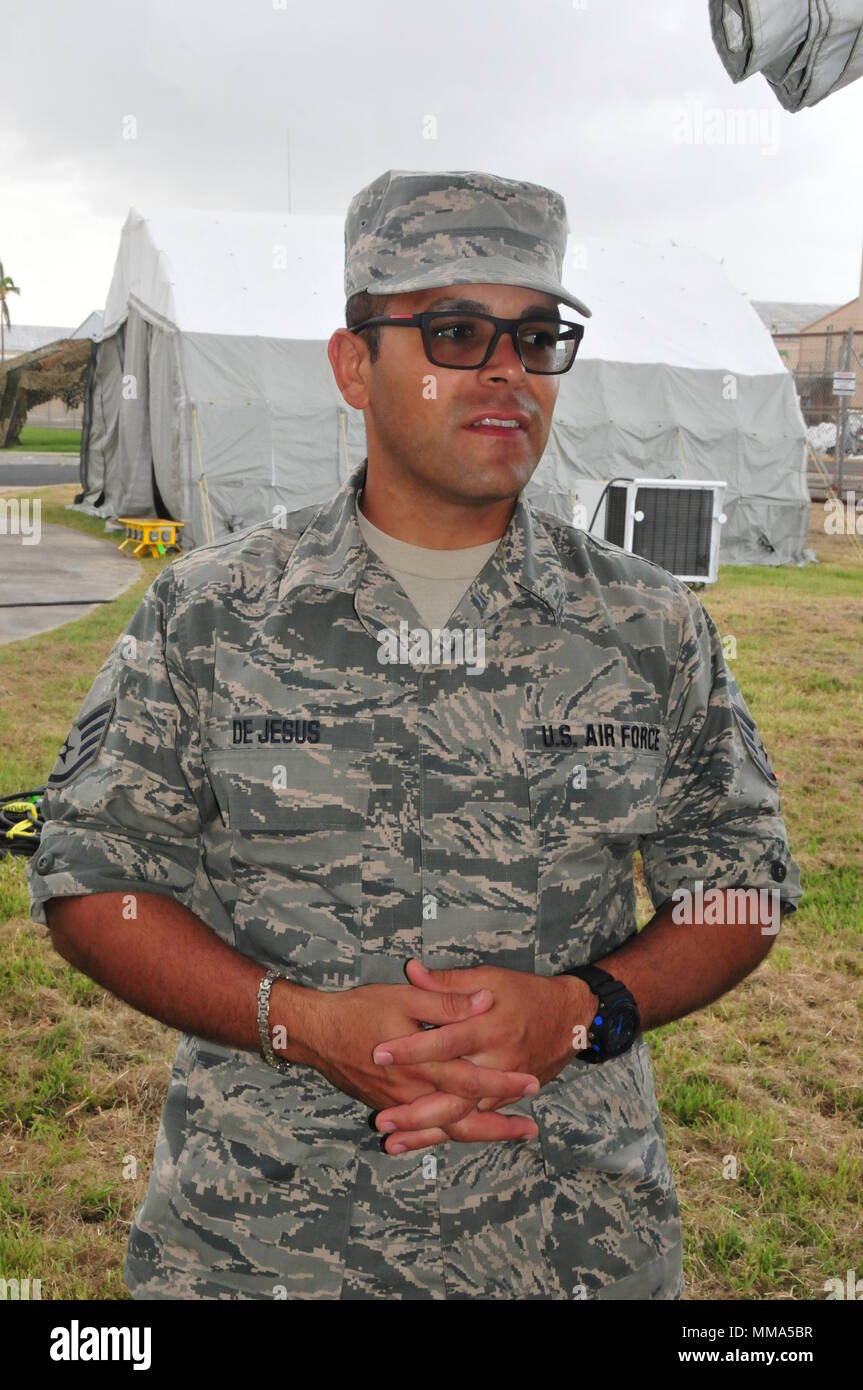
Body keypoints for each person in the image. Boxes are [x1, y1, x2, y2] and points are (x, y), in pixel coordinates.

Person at [27, 168, 802, 1300]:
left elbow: (741, 888)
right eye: (454, 330)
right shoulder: (210, 612)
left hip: (566, 1243)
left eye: (537, 337)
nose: (504, 370)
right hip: (265, 1243)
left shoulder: (648, 627)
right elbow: (90, 878)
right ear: (353, 364)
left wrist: (584, 1011)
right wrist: (299, 1024)